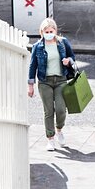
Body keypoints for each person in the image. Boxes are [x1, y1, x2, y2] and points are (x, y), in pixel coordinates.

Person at [27, 17, 76, 151]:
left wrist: (68, 60)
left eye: (51, 30)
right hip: (45, 82)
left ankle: (59, 129)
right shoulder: (37, 47)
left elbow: (73, 57)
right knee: (48, 111)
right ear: (41, 32)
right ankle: (50, 138)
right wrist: (30, 85)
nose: (49, 33)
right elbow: (32, 66)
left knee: (61, 109)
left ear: (55, 30)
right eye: (46, 31)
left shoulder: (62, 43)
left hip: (60, 80)